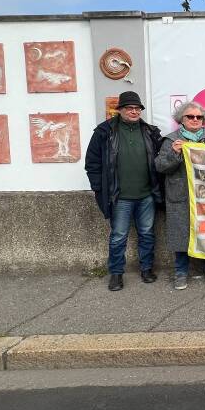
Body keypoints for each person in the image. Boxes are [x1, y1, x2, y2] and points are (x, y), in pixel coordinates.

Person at [85, 90, 164, 292]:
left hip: (146, 195)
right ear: (119, 110)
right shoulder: (104, 132)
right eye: (129, 108)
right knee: (118, 236)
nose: (134, 111)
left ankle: (146, 269)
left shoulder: (150, 132)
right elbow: (92, 163)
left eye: (137, 108)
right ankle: (116, 274)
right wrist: (98, 188)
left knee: (147, 234)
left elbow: (161, 160)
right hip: (119, 197)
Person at [155, 101, 205, 291]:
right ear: (181, 120)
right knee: (181, 234)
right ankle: (181, 271)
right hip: (180, 195)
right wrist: (175, 154)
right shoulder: (170, 141)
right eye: (190, 116)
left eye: (198, 117)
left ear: (203, 120)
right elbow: (160, 167)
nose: (194, 120)